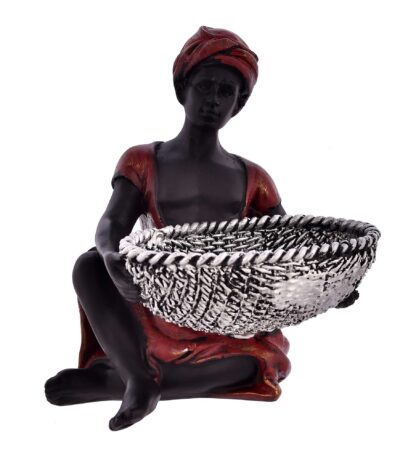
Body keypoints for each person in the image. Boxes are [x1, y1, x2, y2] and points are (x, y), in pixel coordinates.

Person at [45, 26, 291, 431]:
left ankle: (123, 380)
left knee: (259, 363)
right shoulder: (144, 160)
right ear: (183, 89)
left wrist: (332, 283)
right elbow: (112, 223)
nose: (214, 100)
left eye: (226, 92)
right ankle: (139, 376)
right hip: (155, 298)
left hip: (224, 315)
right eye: (205, 87)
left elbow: (289, 246)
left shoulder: (254, 177)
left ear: (238, 103)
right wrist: (110, 255)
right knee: (88, 265)